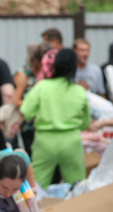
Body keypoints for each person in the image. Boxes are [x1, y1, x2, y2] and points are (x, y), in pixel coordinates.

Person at [21, 49, 90, 189]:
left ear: (55, 65)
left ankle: (37, 210)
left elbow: (26, 112)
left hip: (45, 141)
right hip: (71, 141)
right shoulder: (79, 91)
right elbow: (85, 123)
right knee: (77, 185)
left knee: (37, 185)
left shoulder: (42, 87)